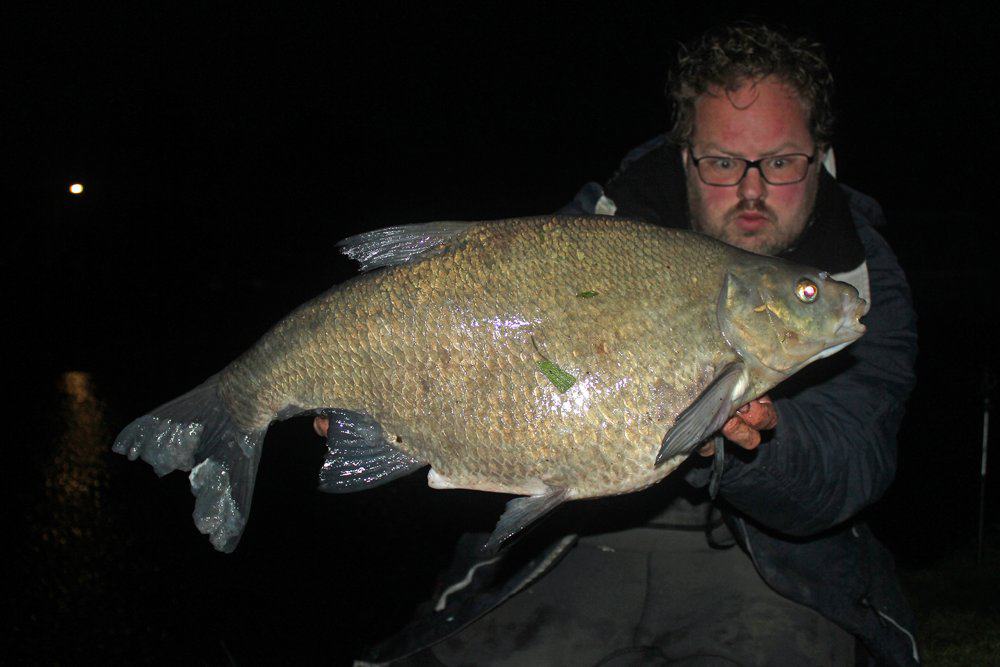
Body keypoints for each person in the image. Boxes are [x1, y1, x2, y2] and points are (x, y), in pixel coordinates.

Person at [324, 23, 919, 666]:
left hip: (770, 562)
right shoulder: (598, 230)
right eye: (723, 162)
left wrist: (751, 445)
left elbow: (852, 466)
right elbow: (505, 351)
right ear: (684, 155)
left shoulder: (860, 278)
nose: (751, 190)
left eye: (779, 162)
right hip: (571, 541)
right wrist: (389, 397)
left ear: (820, 154)